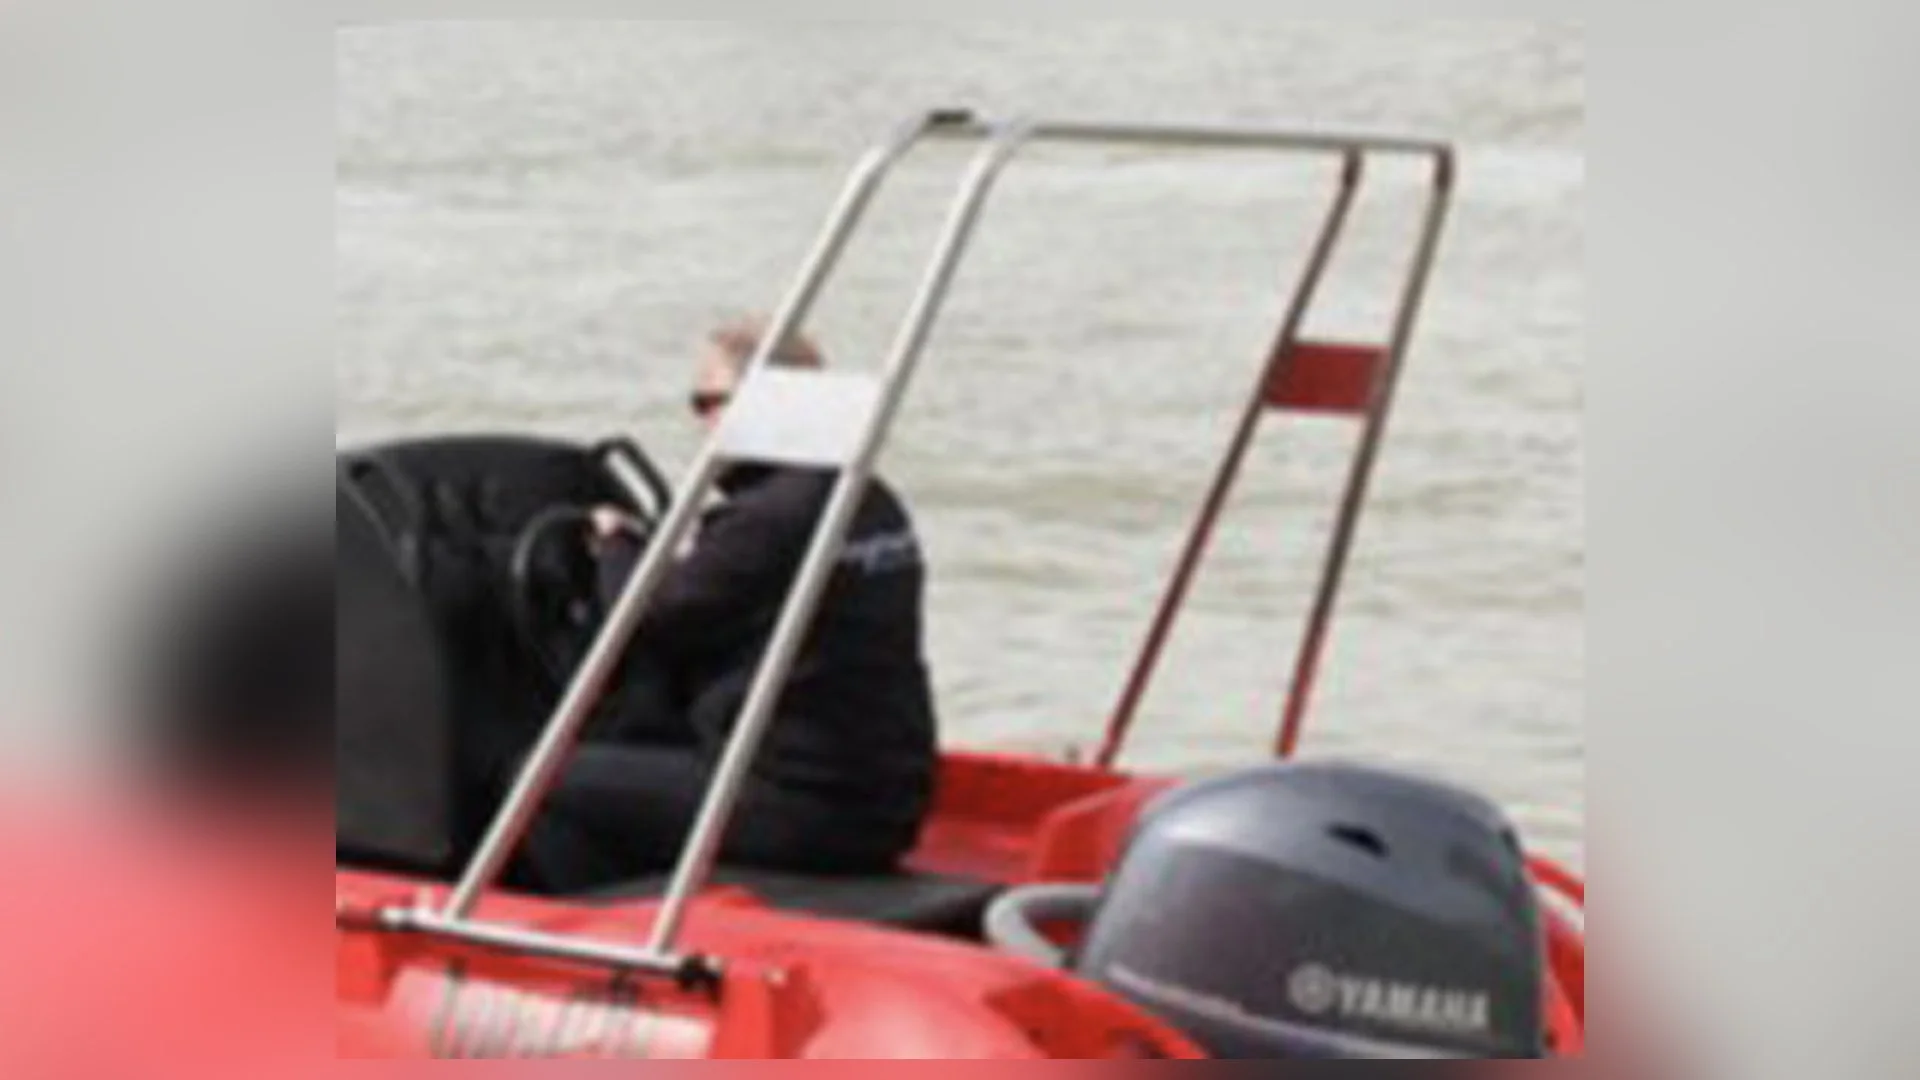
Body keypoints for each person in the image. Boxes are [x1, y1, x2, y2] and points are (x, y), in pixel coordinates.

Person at [513, 317, 939, 893]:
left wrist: (613, 543)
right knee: (643, 734)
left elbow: (644, 621)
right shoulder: (865, 497)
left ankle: (604, 938)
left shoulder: (770, 517)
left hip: (804, 808)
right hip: (885, 803)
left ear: (765, 404)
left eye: (708, 401)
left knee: (537, 783)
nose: (702, 422)